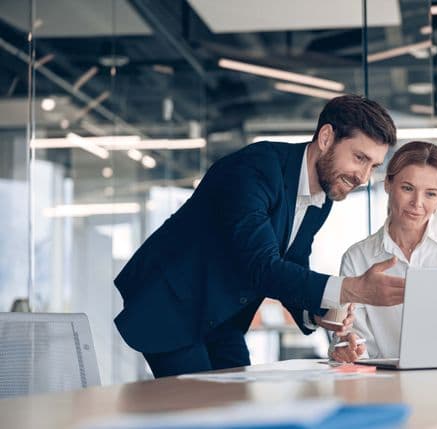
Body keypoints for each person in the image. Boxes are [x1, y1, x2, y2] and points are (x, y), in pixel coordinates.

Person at [114, 95, 406, 377]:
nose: (364, 177)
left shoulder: (322, 196)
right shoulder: (257, 167)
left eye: (373, 166)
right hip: (172, 303)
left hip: (221, 315)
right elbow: (261, 265)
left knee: (239, 403)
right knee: (197, 408)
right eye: (359, 158)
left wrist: (322, 314)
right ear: (326, 137)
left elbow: (292, 260)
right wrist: (351, 288)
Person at [329, 141, 437, 363]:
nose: (417, 203)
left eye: (431, 194)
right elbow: (355, 340)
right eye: (407, 188)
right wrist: (348, 347)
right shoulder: (357, 258)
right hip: (386, 386)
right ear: (388, 184)